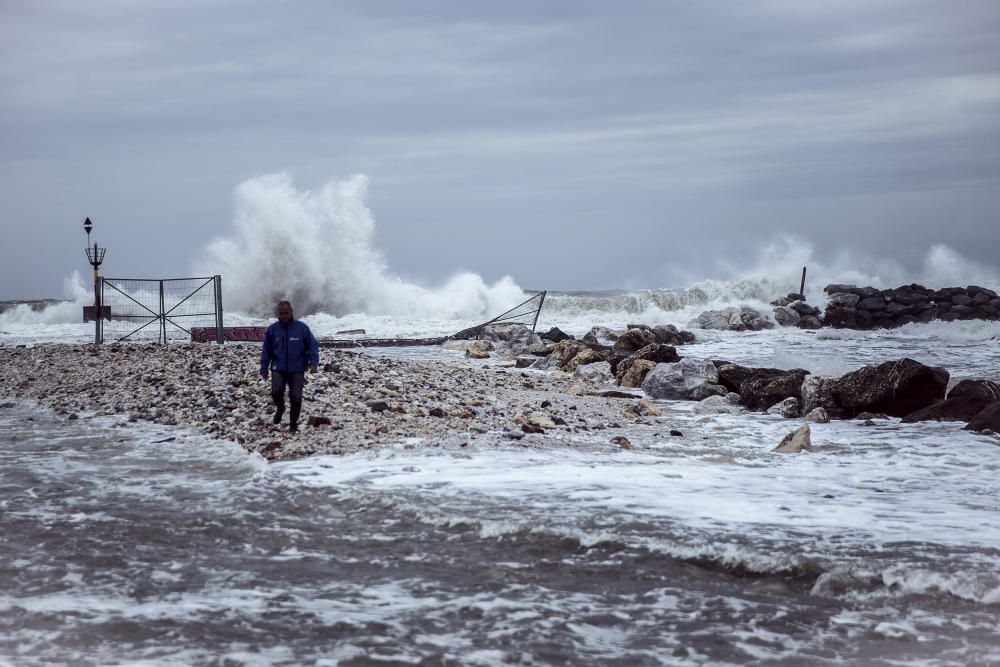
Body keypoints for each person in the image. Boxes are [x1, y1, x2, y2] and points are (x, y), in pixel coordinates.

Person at [260, 300, 319, 433]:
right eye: (281, 314)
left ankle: (293, 424)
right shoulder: (273, 330)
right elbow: (266, 351)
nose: (284, 316)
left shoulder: (302, 328)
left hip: (297, 369)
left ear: (291, 312)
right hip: (278, 368)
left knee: (296, 398)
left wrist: (314, 363)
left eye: (286, 313)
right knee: (275, 392)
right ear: (278, 314)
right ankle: (281, 408)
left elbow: (312, 345)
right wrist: (263, 368)